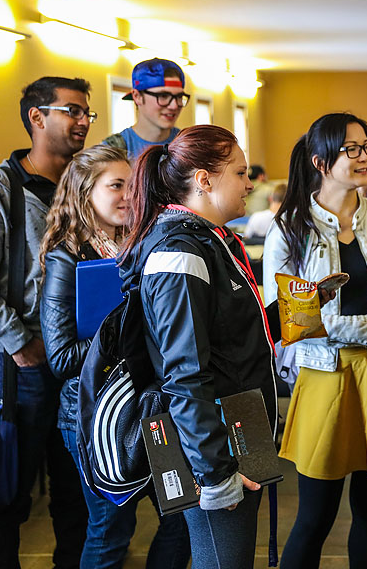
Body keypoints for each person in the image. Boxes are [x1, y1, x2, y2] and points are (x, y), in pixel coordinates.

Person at [119, 125, 288, 568]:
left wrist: (292, 311)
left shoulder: (211, 241)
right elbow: (185, 374)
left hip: (238, 430)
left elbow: (229, 337)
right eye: (241, 173)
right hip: (215, 444)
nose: (250, 184)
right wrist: (215, 474)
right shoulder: (180, 253)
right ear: (204, 180)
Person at [263, 113, 367, 569]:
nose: (364, 157)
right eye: (352, 149)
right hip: (323, 377)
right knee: (316, 515)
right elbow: (289, 319)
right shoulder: (290, 228)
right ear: (320, 161)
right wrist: (365, 326)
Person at [38, 144, 192, 569]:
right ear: (84, 192)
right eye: (115, 185)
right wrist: (124, 334)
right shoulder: (67, 257)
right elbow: (62, 358)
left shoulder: (141, 245)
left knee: (183, 518)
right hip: (95, 416)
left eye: (132, 184)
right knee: (110, 532)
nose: (128, 194)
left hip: (153, 407)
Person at [0, 76, 93, 569]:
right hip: (17, 366)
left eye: (87, 113)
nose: (83, 121)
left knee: (77, 493)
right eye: (72, 111)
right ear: (37, 117)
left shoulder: (85, 187)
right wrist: (21, 344)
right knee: (5, 496)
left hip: (78, 364)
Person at [102, 58, 188, 161]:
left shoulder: (188, 146)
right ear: (137, 96)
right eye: (163, 96)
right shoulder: (113, 150)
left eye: (179, 97)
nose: (174, 106)